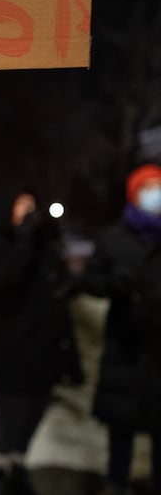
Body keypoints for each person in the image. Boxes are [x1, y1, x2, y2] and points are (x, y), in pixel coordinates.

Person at [0, 187, 79, 495]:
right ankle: (1, 471)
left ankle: (17, 466)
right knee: (12, 419)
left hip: (42, 353)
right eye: (21, 208)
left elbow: (60, 283)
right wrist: (24, 237)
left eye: (31, 207)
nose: (28, 215)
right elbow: (7, 280)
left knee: (35, 413)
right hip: (10, 357)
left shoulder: (38, 246)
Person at [75, 164, 161, 495]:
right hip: (125, 343)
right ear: (134, 194)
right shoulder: (113, 238)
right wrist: (113, 284)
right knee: (121, 423)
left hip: (157, 347)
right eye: (149, 188)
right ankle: (116, 480)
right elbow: (91, 281)